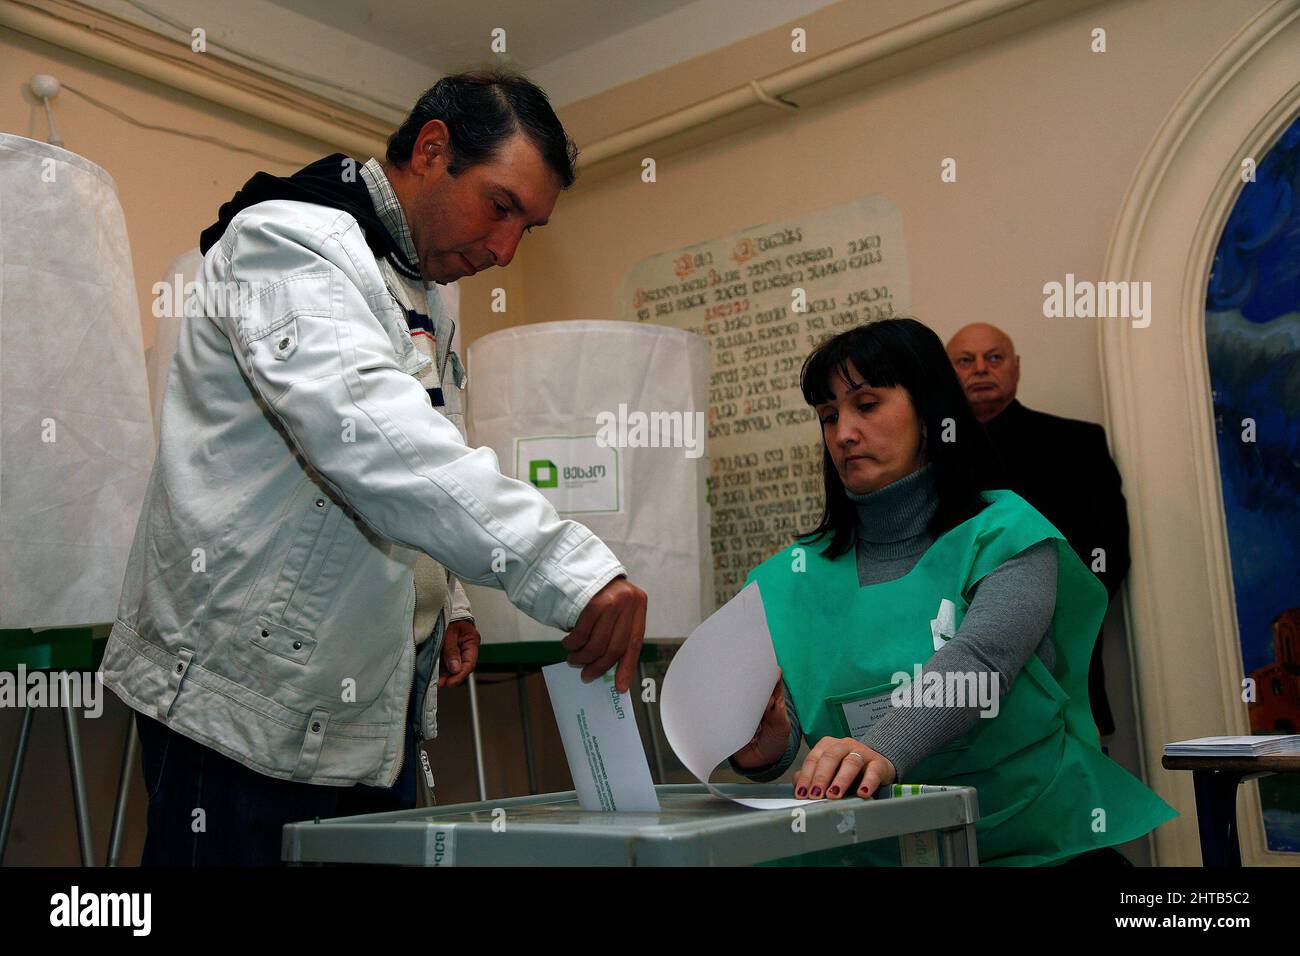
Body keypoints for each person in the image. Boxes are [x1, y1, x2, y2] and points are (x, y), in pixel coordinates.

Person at [101, 72, 647, 866]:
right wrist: (569, 568)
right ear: (432, 149)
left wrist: (443, 593)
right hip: (246, 709)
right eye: (500, 207)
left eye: (527, 228)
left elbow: (431, 443)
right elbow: (368, 436)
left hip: (360, 709)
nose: (503, 251)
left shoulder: (422, 286)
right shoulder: (286, 242)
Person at [731, 319, 1174, 866]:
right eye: (828, 416)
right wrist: (765, 746)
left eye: (865, 405)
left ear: (928, 411)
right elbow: (791, 727)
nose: (843, 432)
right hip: (867, 849)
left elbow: (981, 659)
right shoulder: (790, 574)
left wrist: (880, 750)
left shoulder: (1009, 532)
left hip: (1020, 841)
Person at [945, 322, 1130, 737]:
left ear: (1016, 366)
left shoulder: (1075, 443)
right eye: (964, 360)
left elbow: (1107, 552)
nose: (980, 369)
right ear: (946, 373)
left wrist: (1043, 622)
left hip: (1063, 664)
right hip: (955, 677)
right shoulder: (929, 459)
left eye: (994, 357)